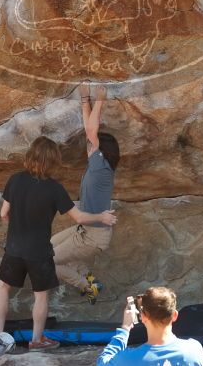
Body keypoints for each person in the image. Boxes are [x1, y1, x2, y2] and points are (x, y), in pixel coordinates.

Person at [0, 136, 118, 352]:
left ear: (31, 156)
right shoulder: (54, 188)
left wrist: (18, 226)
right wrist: (101, 217)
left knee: (3, 288)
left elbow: (3, 213)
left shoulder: (15, 179)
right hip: (39, 251)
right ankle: (37, 340)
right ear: (53, 161)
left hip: (15, 248)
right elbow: (80, 219)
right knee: (41, 295)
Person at [52, 82, 120, 304]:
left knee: (47, 260)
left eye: (93, 145)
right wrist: (85, 101)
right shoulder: (97, 165)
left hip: (94, 236)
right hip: (86, 228)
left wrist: (97, 100)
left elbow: (91, 130)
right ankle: (89, 278)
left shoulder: (101, 168)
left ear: (101, 151)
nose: (88, 146)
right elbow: (89, 129)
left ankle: (89, 286)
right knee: (47, 247)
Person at [98, 287, 203, 366]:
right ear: (175, 315)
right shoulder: (194, 349)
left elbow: (103, 362)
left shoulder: (127, 359)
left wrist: (125, 328)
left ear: (143, 317)